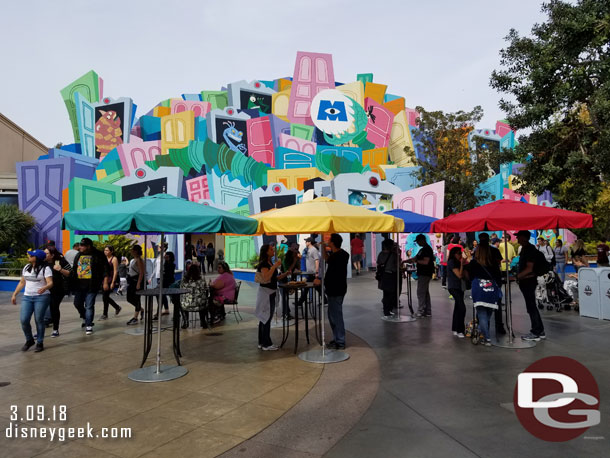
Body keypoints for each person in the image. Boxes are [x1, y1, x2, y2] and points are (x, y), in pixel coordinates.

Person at [11, 250, 53, 352]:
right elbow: (22, 282)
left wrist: (45, 287)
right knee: (24, 320)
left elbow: (50, 282)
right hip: (27, 297)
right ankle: (29, 340)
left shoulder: (45, 268)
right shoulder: (26, 267)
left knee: (39, 319)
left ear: (37, 258)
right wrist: (14, 294)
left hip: (42, 297)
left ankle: (39, 342)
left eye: (32, 255)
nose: (29, 256)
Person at [316, 234, 349, 349]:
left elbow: (328, 259)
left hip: (336, 290)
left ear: (333, 243)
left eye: (329, 240)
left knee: (336, 316)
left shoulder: (338, 256)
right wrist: (324, 247)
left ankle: (340, 341)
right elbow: (327, 259)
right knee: (332, 316)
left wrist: (324, 247)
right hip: (334, 290)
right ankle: (337, 338)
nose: (327, 241)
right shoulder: (341, 255)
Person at [71, 238, 109, 335]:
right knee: (77, 303)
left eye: (82, 245)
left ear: (89, 246)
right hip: (79, 285)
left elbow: (105, 269)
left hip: (92, 285)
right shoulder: (79, 254)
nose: (80, 247)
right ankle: (85, 317)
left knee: (89, 305)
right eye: (80, 245)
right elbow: (75, 268)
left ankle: (89, 325)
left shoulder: (98, 255)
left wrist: (105, 282)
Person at [468, 243, 501, 346]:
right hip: (491, 288)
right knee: (487, 314)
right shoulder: (493, 263)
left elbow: (469, 276)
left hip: (478, 288)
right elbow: (498, 277)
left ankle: (487, 338)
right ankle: (481, 331)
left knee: (481, 313)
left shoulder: (473, 263)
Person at [516, 230, 546, 341]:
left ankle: (536, 332)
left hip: (528, 281)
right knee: (531, 306)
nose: (517, 239)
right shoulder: (525, 249)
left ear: (524, 237)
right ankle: (540, 330)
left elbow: (529, 268)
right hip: (527, 281)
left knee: (531, 307)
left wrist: (518, 276)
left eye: (518, 237)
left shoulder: (529, 250)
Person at [255, 244, 283, 351]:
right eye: (271, 249)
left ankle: (262, 342)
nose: (273, 251)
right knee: (265, 317)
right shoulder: (264, 264)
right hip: (266, 293)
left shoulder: (269, 263)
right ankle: (266, 343)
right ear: (266, 252)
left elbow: (273, 277)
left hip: (270, 292)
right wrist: (275, 266)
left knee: (265, 318)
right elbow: (266, 277)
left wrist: (283, 275)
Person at [479, 233, 505, 335]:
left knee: (481, 306)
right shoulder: (494, 250)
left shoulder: (477, 251)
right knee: (496, 304)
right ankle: (499, 326)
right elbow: (499, 262)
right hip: (494, 280)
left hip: (483, 281)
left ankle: (483, 330)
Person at [44, 246, 72, 338]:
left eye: (47, 253)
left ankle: (55, 329)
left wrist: (60, 269)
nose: (45, 255)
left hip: (58, 289)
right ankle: (40, 330)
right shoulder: (42, 262)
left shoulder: (61, 261)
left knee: (54, 307)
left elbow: (70, 273)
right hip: (45, 289)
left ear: (52, 255)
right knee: (41, 309)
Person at [407, 234, 435, 317]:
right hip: (423, 273)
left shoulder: (427, 249)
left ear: (422, 240)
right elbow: (415, 258)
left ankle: (421, 311)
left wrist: (416, 262)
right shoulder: (422, 250)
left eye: (418, 241)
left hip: (425, 273)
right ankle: (427, 310)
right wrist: (405, 261)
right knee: (425, 292)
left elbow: (425, 262)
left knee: (421, 292)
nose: (417, 243)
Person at [376, 239, 401, 317]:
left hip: (383, 275)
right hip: (391, 275)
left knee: (385, 293)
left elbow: (378, 263)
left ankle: (386, 310)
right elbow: (398, 264)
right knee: (392, 293)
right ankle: (388, 310)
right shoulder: (393, 255)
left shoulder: (380, 254)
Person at [180, 263, 208, 328]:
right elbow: (205, 289)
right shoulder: (201, 279)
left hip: (186, 304)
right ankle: (203, 321)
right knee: (204, 301)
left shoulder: (184, 280)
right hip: (199, 304)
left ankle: (186, 322)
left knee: (180, 304)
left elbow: (181, 289)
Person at [447, 247, 467, 338]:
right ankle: (460, 330)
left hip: (458, 287)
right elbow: (459, 275)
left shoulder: (456, 261)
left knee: (458, 307)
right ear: (454, 254)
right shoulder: (452, 262)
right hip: (454, 287)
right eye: (459, 253)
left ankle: (455, 328)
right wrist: (462, 264)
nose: (460, 255)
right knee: (462, 307)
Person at [296, 237, 321, 310]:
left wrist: (316, 272)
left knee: (306, 288)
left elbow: (317, 261)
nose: (305, 242)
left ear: (309, 242)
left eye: (306, 241)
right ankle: (325, 300)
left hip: (312, 273)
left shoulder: (313, 250)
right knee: (317, 288)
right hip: (310, 273)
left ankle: (300, 302)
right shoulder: (309, 250)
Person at [100, 245, 121, 320]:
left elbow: (115, 271)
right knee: (105, 297)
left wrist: (113, 282)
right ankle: (117, 307)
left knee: (105, 297)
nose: (105, 252)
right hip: (104, 279)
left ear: (111, 251)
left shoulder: (114, 259)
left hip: (110, 279)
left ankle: (105, 314)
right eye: (105, 250)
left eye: (107, 250)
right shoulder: (103, 258)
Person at [126, 245, 145, 325]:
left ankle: (135, 317)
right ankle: (141, 309)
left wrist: (138, 283)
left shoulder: (139, 260)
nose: (131, 251)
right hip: (131, 281)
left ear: (136, 251)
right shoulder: (132, 260)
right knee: (129, 298)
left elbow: (141, 272)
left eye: (133, 250)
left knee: (137, 298)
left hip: (136, 280)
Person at [153, 250, 175, 320]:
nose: (165, 257)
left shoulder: (171, 265)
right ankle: (164, 310)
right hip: (163, 282)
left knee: (161, 296)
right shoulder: (164, 263)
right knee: (160, 295)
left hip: (168, 283)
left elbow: (169, 275)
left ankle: (159, 312)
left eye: (167, 256)